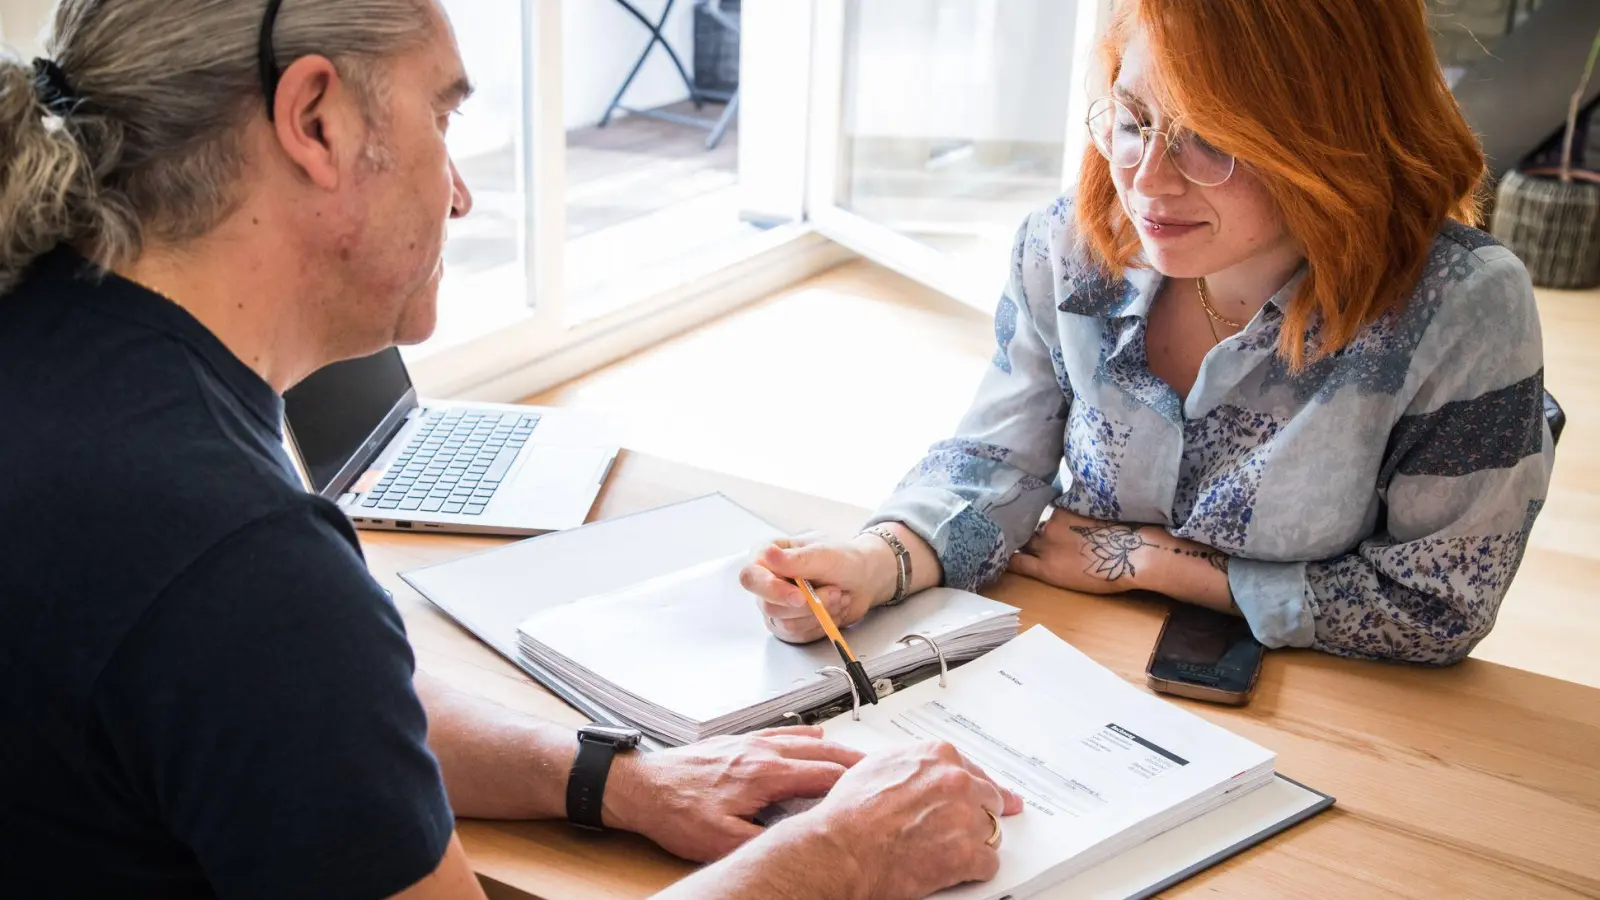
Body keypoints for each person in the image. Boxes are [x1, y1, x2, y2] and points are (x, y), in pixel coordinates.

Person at [0, 1, 1019, 898]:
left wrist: (610, 778)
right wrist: (838, 858)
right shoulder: (239, 561)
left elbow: (314, 723)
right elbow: (276, 660)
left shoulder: (71, 346)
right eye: (443, 117)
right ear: (316, 120)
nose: (460, 195)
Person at [744, 0, 1553, 667]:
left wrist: (1153, 565)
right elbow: (997, 463)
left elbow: (1438, 603)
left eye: (1214, 139)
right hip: (1084, 666)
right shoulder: (1066, 248)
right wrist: (874, 563)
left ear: (1333, 137)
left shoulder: (1459, 305)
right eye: (1133, 120)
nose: (1149, 181)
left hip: (1343, 706)